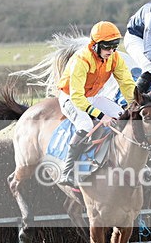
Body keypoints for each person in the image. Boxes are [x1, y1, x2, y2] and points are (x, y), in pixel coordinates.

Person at [57, 21, 136, 187]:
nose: (111, 51)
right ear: (95, 45)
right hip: (70, 97)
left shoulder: (115, 58)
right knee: (85, 123)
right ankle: (67, 170)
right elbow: (77, 97)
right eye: (107, 47)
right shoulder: (81, 60)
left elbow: (127, 85)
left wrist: (137, 103)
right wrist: (101, 116)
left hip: (92, 97)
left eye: (114, 46)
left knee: (122, 116)